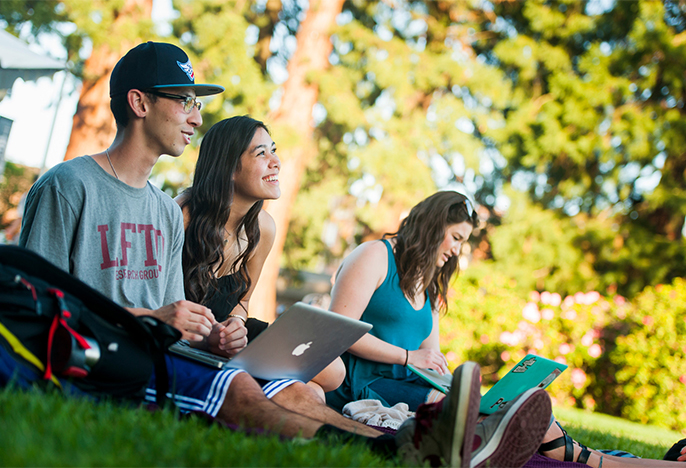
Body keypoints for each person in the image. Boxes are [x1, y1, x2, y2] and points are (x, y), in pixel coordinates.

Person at [16, 41, 552, 468]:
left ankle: (426, 441)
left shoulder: (158, 208)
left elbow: (177, 313)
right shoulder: (70, 186)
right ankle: (408, 451)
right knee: (244, 392)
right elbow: (30, 305)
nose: (195, 117)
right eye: (184, 101)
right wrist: (153, 319)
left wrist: (212, 327)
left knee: (294, 391)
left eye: (196, 103)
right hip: (104, 361)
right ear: (139, 103)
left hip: (167, 353)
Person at [325, 190, 686, 468]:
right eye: (455, 237)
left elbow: (430, 358)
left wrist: (448, 378)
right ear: (432, 225)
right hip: (363, 381)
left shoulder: (431, 285)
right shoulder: (374, 255)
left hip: (410, 381)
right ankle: (602, 459)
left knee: (505, 406)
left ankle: (606, 458)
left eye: (463, 241)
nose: (456, 249)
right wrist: (408, 357)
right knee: (476, 416)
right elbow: (338, 331)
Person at [176, 115, 344, 400]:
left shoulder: (262, 229)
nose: (275, 161)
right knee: (309, 391)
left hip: (228, 339)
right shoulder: (181, 215)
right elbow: (156, 303)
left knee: (331, 372)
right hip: (187, 339)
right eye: (261, 153)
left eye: (274, 150)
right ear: (228, 167)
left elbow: (241, 302)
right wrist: (209, 339)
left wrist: (236, 327)